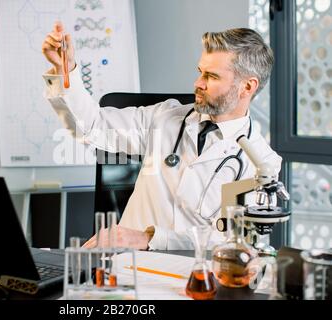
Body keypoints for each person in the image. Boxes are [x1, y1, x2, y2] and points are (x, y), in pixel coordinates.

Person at [41, 22, 281, 250]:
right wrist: (65, 72)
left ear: (247, 87)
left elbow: (232, 243)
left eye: (212, 76)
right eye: (200, 72)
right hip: (127, 268)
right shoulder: (165, 118)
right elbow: (92, 127)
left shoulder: (262, 164)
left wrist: (149, 238)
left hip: (194, 277)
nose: (198, 83)